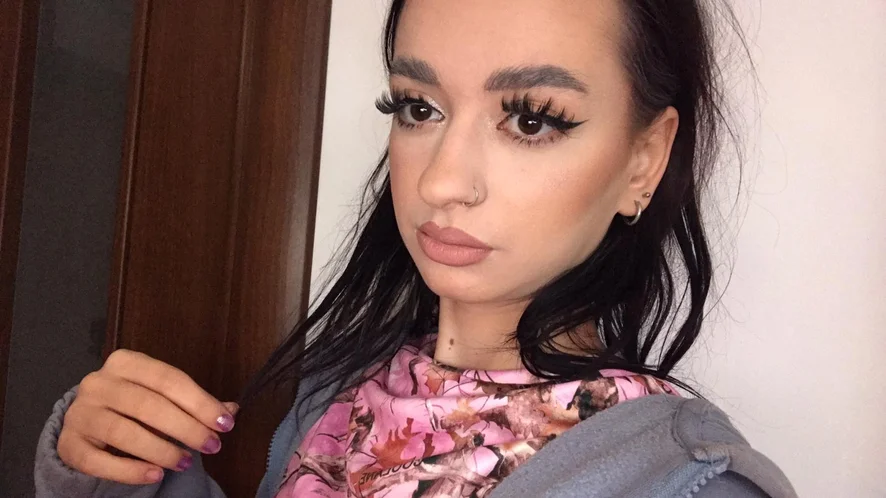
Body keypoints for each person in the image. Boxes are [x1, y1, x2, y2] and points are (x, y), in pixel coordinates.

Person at [35, 0, 798, 496]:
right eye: (419, 107)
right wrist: (119, 466)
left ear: (644, 160)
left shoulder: (682, 482)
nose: (441, 181)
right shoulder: (338, 389)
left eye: (532, 119)